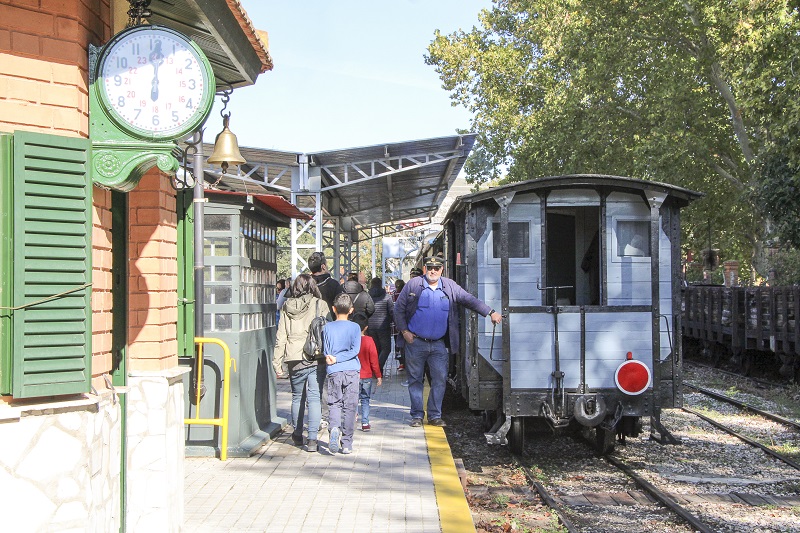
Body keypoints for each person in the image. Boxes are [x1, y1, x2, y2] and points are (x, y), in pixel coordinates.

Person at [394, 255, 502, 427]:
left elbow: (469, 300)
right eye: (430, 268)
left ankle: (435, 415)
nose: (433, 271)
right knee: (415, 380)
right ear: (425, 269)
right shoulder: (413, 285)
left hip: (438, 344)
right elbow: (398, 309)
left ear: (442, 270)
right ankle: (416, 415)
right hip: (415, 342)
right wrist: (405, 331)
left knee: (439, 379)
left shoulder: (449, 286)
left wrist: (490, 312)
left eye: (437, 268)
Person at [273, 274, 329, 452]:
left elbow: (280, 337)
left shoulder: (286, 307)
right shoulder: (320, 304)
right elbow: (327, 331)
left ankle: (297, 434)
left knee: (297, 397)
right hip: (315, 356)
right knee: (314, 398)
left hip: (293, 357)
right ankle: (312, 439)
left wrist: (277, 362)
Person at [323, 293, 362, 454]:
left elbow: (326, 350)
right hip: (352, 370)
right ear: (351, 310)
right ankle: (346, 443)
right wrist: (341, 358)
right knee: (350, 406)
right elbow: (355, 350)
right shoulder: (355, 327)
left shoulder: (327, 327)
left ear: (333, 309)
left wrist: (333, 359)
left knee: (334, 403)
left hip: (333, 371)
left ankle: (333, 428)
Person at [353, 313, 381, 432]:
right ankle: (365, 423)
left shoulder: (351, 341)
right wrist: (378, 376)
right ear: (366, 327)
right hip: (367, 376)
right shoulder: (369, 341)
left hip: (353, 375)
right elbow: (374, 360)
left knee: (353, 398)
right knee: (365, 399)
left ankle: (352, 419)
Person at [367, 277, 394, 374]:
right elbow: (392, 311)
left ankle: (378, 370)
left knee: (376, 349)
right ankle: (378, 368)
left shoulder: (368, 296)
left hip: (370, 326)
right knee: (386, 349)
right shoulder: (386, 297)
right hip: (384, 326)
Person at [392, 279, 406, 373]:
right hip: (405, 324)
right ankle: (406, 362)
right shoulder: (406, 294)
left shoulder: (393, 295)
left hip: (395, 325)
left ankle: (401, 362)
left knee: (397, 343)